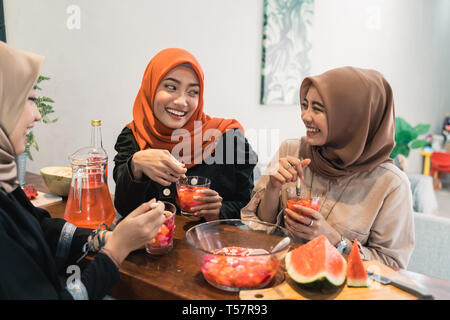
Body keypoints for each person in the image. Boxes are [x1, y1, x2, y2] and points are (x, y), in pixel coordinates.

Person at [0, 41, 167, 299]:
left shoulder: (4, 179)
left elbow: (35, 226)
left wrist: (99, 239)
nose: (37, 115)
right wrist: (115, 250)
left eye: (193, 91)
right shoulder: (130, 136)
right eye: (29, 99)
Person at [242, 66, 414, 269]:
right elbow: (258, 229)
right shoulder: (291, 150)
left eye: (317, 109)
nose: (305, 116)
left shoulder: (391, 184)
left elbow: (392, 266)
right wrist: (272, 188)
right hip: (277, 275)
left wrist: (335, 240)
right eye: (305, 105)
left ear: (352, 118)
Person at [113, 48, 257, 221]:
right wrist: (135, 166)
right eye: (171, 87)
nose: (181, 101)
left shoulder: (227, 138)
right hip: (150, 247)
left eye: (193, 92)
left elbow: (251, 210)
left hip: (212, 246)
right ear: (150, 87)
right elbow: (125, 210)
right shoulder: (133, 137)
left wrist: (219, 212)